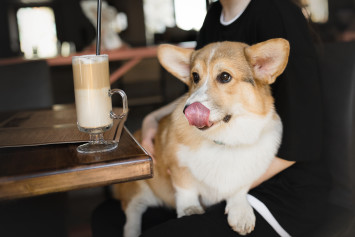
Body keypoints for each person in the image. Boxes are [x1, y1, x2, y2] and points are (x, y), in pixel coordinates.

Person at [91, 0, 331, 236]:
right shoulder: (215, 15)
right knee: (107, 217)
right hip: (223, 176)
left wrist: (231, 192)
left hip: (282, 191)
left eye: (225, 76)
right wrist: (152, 118)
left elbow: (303, 140)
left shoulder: (277, 12)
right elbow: (201, 94)